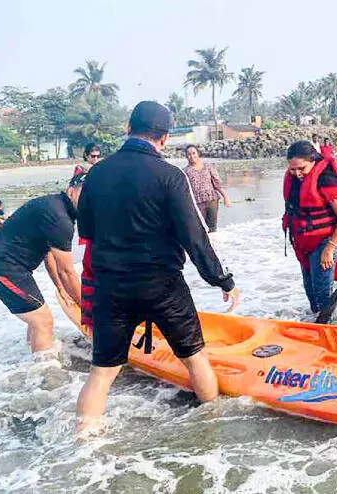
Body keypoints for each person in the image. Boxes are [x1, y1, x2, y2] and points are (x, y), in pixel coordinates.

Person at [75, 101, 240, 429]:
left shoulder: (95, 175)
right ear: (164, 138)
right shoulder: (170, 176)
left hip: (112, 286)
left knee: (102, 373)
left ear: (127, 129)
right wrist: (222, 280)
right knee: (194, 359)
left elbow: (87, 232)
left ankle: (84, 444)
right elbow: (195, 237)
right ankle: (213, 434)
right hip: (161, 284)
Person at [0, 174, 85, 353]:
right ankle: (42, 374)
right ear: (71, 191)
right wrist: (90, 311)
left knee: (37, 317)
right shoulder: (60, 219)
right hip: (2, 270)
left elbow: (48, 252)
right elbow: (67, 272)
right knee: (44, 321)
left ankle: (31, 355)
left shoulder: (54, 206)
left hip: (11, 269)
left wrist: (60, 287)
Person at [283, 141, 337, 315]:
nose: (297, 173)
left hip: (324, 243)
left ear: (313, 161)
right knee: (312, 296)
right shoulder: (294, 179)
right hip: (303, 244)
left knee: (323, 298)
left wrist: (329, 248)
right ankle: (316, 330)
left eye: (301, 168)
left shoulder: (326, 180)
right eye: (292, 169)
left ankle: (332, 332)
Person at [183, 144, 231, 233]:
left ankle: (214, 245)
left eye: (194, 153)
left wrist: (226, 198)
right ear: (186, 157)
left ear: (198, 154)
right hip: (197, 203)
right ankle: (204, 246)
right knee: (200, 229)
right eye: (189, 154)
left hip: (212, 201)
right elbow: (184, 191)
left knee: (212, 228)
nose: (192, 156)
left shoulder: (208, 166)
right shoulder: (185, 171)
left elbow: (217, 183)